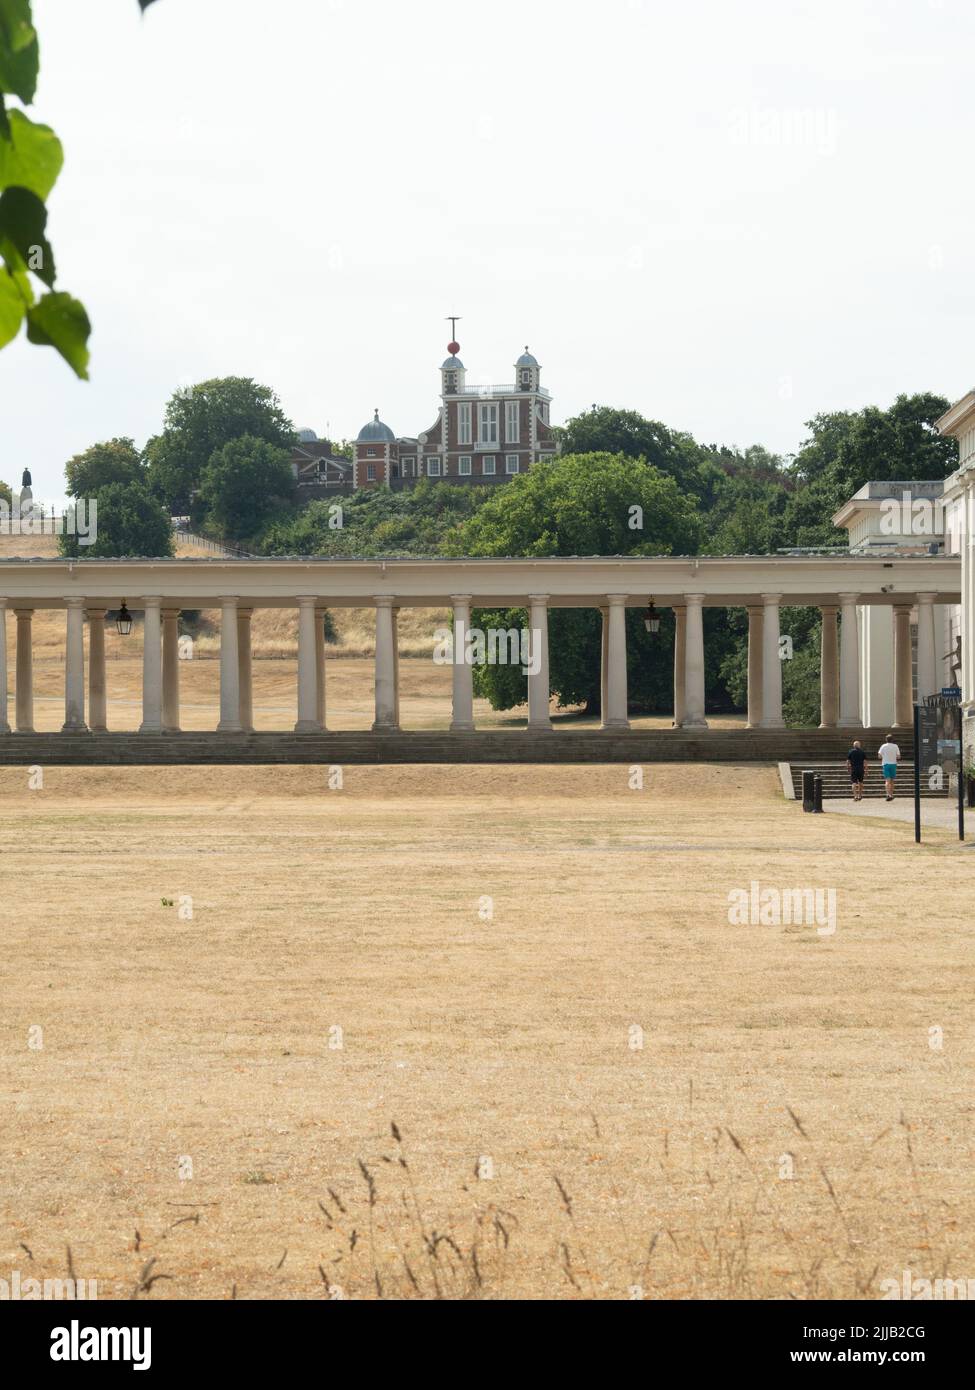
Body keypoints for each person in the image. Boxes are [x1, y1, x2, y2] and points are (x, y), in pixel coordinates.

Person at [877, 733, 901, 801]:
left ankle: (888, 794)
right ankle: (891, 794)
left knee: (887, 780)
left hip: (886, 764)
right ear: (892, 740)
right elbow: (899, 756)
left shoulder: (883, 746)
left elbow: (879, 756)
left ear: (886, 739)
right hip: (893, 764)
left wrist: (885, 756)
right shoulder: (895, 746)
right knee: (892, 780)